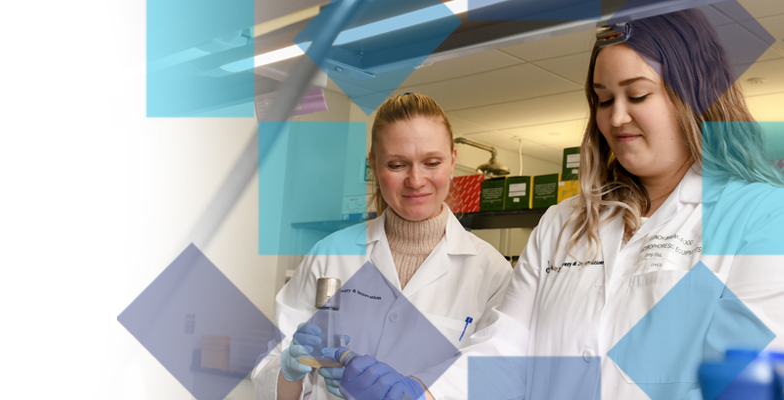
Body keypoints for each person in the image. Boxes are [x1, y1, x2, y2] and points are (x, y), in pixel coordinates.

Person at [331, 8, 784, 400]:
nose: (616, 117)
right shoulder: (562, 222)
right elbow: (508, 347)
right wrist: (425, 393)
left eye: (638, 94)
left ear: (696, 93)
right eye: (603, 100)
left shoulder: (759, 216)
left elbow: (742, 378)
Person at [251, 93, 514, 400]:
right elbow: (269, 378)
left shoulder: (492, 272)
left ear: (453, 161)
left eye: (432, 162)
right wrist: (288, 370)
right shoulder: (330, 254)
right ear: (374, 165)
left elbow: (494, 382)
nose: (416, 180)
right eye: (397, 164)